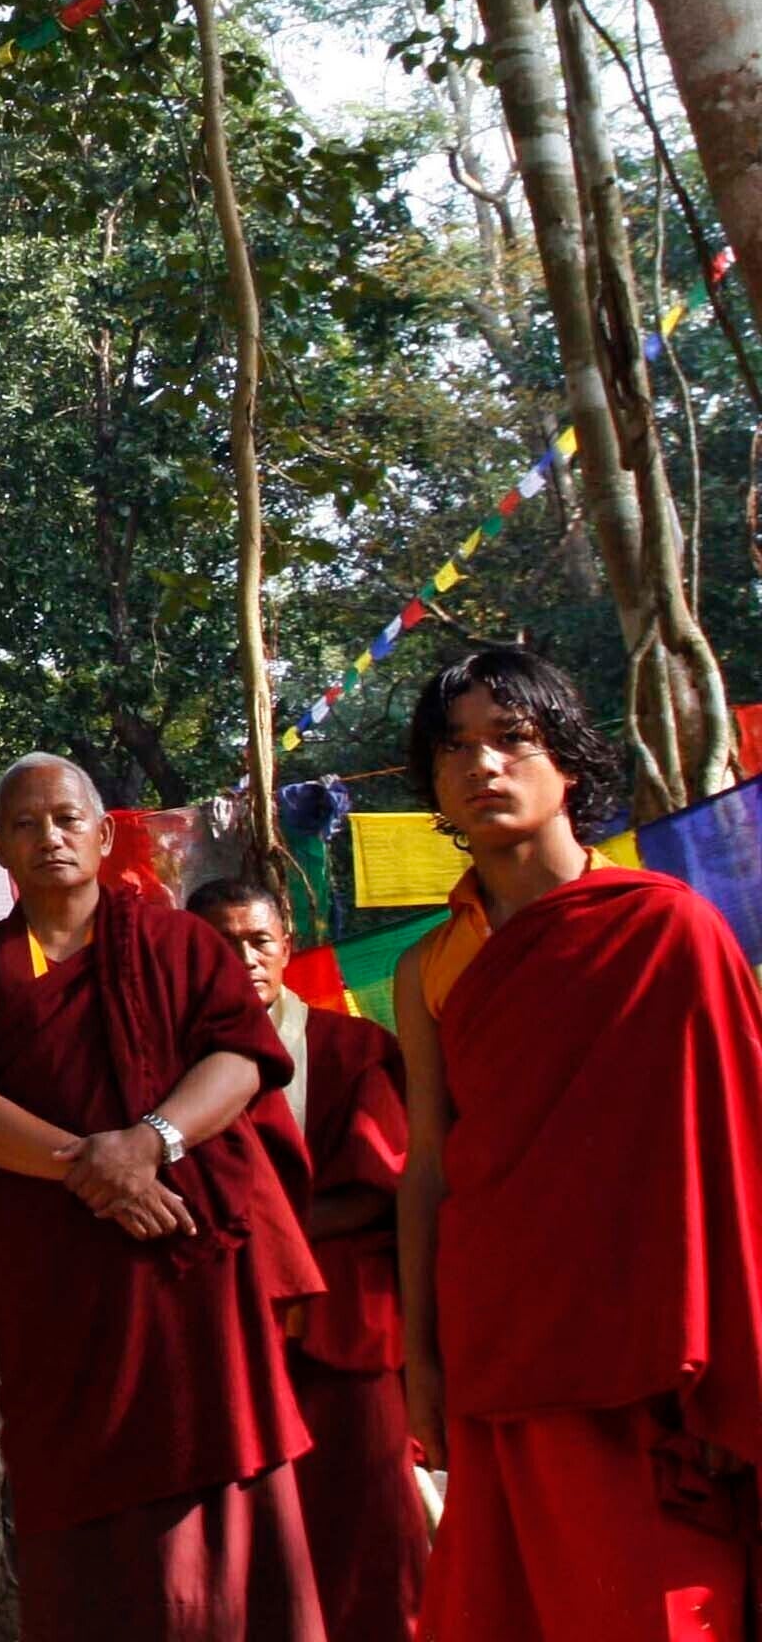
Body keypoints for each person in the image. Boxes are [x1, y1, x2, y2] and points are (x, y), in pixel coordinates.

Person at [391, 645, 762, 1642]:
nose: (485, 767)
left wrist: (741, 1367)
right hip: (505, 1344)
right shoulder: (431, 966)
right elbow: (428, 1169)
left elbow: (739, 1150)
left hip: (655, 1355)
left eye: (513, 739)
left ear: (568, 761)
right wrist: (421, 1360)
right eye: (455, 748)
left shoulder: (669, 929)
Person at [0, 755, 327, 1642]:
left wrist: (150, 1143)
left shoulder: (178, 944)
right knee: (86, 1519)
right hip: (67, 1285)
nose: (50, 838)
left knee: (217, 1466)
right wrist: (95, 1170)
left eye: (68, 819)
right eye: (26, 825)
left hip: (186, 1272)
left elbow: (241, 1057)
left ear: (106, 836)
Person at [191, 874, 429, 1642]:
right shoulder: (167, 1067)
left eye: (259, 940)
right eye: (222, 946)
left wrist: (253, 1243)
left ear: (288, 948)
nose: (245, 959)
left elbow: (378, 1187)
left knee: (368, 1534)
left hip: (345, 1328)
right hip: (222, 1335)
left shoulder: (353, 1047)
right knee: (246, 1550)